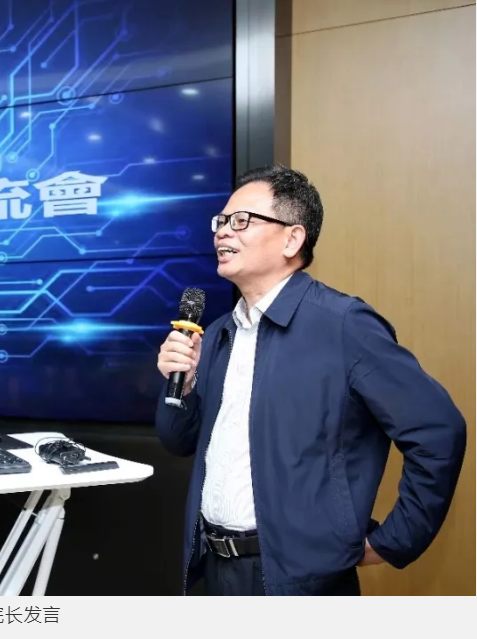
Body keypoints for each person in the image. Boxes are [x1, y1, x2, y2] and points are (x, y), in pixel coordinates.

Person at [154, 164, 467, 596]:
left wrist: (394, 540)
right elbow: (178, 441)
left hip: (300, 583)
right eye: (221, 221)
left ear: (292, 238)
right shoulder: (221, 332)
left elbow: (438, 430)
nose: (223, 231)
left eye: (241, 220)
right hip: (217, 569)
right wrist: (183, 384)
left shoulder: (343, 325)